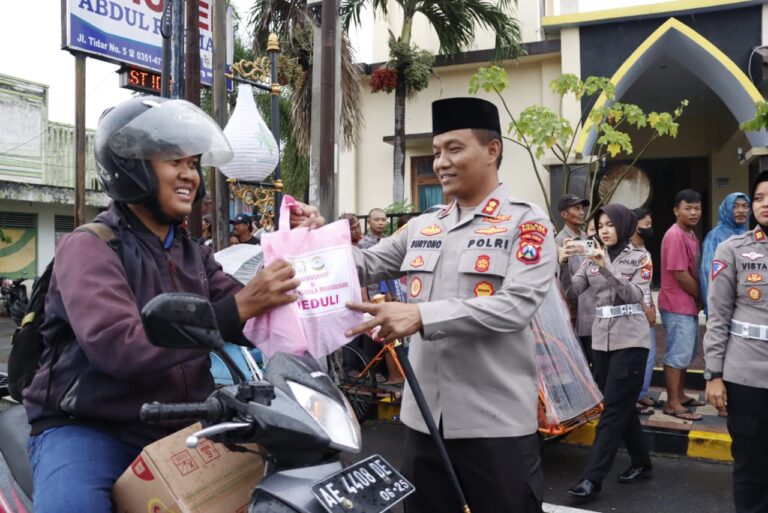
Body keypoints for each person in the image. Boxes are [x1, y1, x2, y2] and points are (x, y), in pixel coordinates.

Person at [21, 96, 311, 513]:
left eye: (194, 164)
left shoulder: (193, 254)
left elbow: (256, 315)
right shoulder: (88, 248)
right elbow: (116, 345)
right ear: (131, 167)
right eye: (175, 160)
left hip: (178, 421)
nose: (190, 175)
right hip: (89, 428)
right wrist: (238, 309)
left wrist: (302, 247)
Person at [346, 97, 555, 513]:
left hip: (494, 427)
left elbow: (516, 305)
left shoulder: (526, 223)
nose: (441, 162)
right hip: (424, 422)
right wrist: (315, 237)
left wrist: (421, 315)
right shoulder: (424, 225)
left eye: (454, 149)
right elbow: (363, 263)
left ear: (492, 150)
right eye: (437, 151)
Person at [560, 204, 653, 500]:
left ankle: (592, 479)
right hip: (601, 340)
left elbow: (636, 295)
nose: (604, 230)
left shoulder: (641, 257)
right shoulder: (589, 260)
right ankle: (642, 462)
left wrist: (606, 266)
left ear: (624, 226)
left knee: (612, 410)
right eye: (600, 225)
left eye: (611, 224)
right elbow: (573, 291)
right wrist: (562, 263)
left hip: (631, 339)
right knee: (620, 405)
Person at [704, 171, 768, 513]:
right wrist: (713, 374)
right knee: (749, 465)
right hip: (746, 377)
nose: (764, 204)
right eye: (759, 198)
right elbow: (718, 316)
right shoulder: (732, 250)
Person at [658, 189, 705, 421]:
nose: (694, 212)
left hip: (688, 304)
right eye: (688, 208)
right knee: (677, 355)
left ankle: (681, 395)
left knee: (686, 353)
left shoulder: (691, 234)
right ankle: (672, 403)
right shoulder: (675, 235)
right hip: (676, 304)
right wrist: (702, 295)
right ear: (676, 210)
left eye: (697, 208)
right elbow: (680, 275)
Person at [700, 192, 750, 315]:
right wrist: (713, 305)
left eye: (745, 206)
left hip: (743, 306)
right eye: (735, 206)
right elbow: (708, 272)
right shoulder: (715, 236)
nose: (741, 210)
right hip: (721, 307)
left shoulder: (748, 235)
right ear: (726, 209)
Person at [631, 208, 658, 415]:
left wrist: (652, 304)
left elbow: (645, 282)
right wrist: (644, 308)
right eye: (646, 224)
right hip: (634, 313)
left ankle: (640, 393)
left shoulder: (644, 249)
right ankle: (632, 399)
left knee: (649, 355)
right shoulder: (627, 251)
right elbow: (626, 288)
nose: (650, 228)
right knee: (637, 357)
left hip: (647, 308)